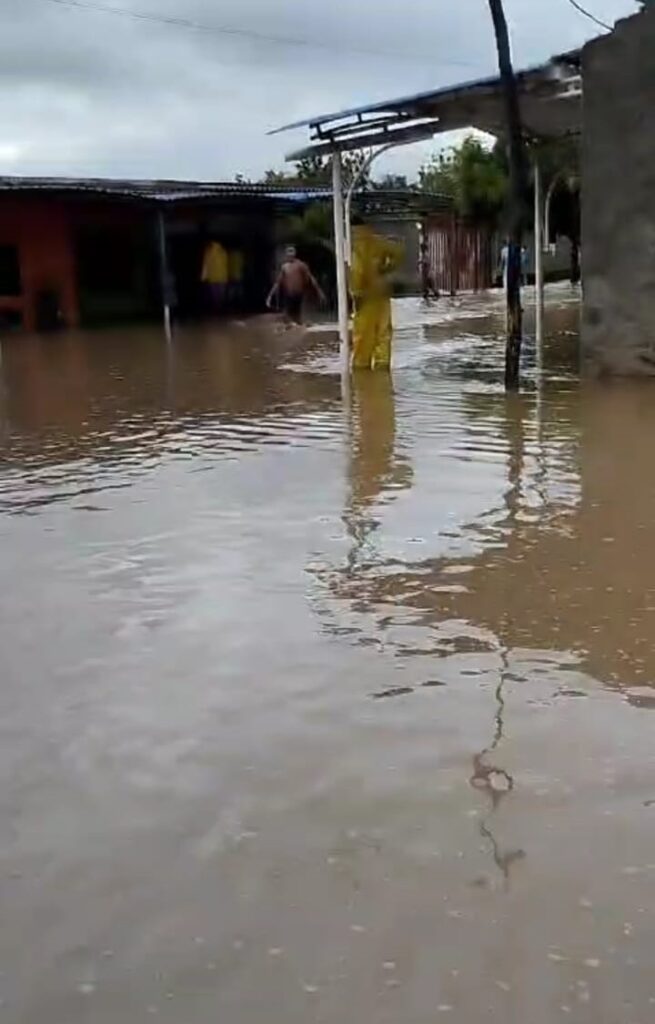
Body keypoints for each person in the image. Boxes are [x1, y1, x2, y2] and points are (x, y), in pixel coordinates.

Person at [350, 224, 404, 371]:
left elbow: (357, 271)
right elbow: (399, 251)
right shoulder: (379, 242)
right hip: (381, 291)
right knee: (383, 332)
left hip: (365, 295)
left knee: (363, 337)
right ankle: (382, 369)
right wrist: (386, 268)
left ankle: (361, 372)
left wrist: (355, 293)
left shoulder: (355, 245)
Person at [266, 246, 325, 325]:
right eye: (288, 254)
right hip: (288, 294)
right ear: (286, 255)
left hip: (298, 293)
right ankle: (290, 328)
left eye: (291, 253)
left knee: (297, 316)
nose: (290, 256)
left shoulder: (301, 265)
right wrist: (270, 296)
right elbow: (278, 282)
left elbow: (311, 278)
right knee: (287, 316)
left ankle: (299, 326)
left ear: (294, 254)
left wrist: (319, 291)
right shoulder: (284, 267)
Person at [201, 239, 229, 313]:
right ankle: (220, 308)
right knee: (221, 295)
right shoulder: (223, 251)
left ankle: (217, 309)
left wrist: (203, 277)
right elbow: (225, 265)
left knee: (215, 295)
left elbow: (205, 266)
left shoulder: (208, 252)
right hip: (222, 276)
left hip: (212, 277)